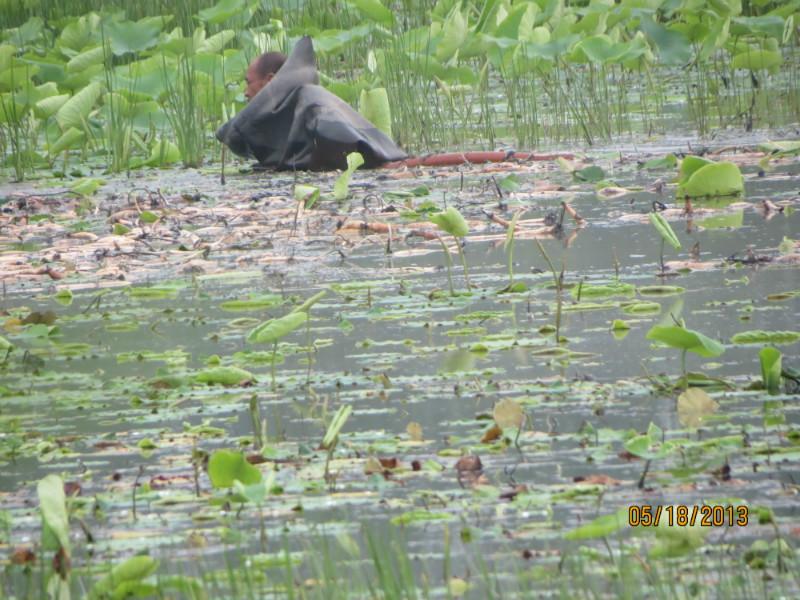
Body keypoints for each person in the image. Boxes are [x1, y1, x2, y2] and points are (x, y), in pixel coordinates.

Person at [217, 37, 406, 171]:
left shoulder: (309, 100)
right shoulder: (286, 112)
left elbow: (341, 142)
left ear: (270, 81)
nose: (245, 92)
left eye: (249, 82)